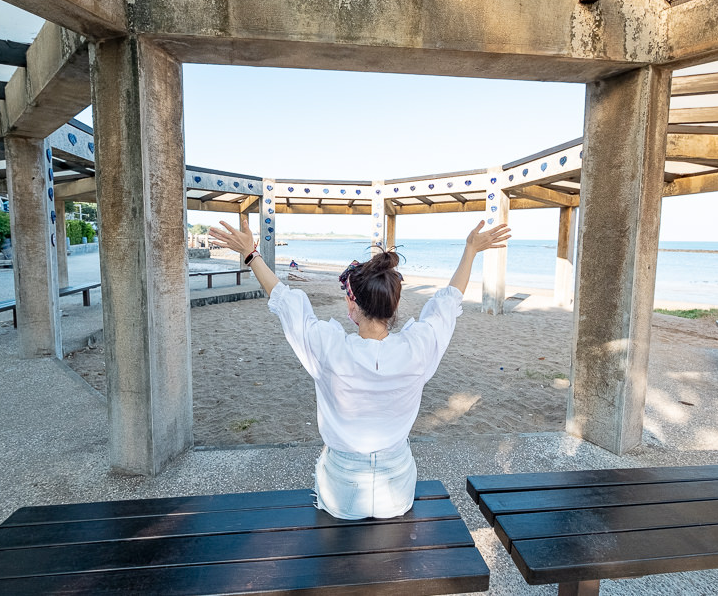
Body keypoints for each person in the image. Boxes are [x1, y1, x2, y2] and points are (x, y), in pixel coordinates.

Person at [208, 217, 510, 520]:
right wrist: (470, 251)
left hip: (341, 494)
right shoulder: (418, 348)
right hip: (397, 493)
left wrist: (251, 255)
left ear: (352, 305)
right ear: (393, 305)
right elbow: (448, 303)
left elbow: (285, 301)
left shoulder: (329, 349)